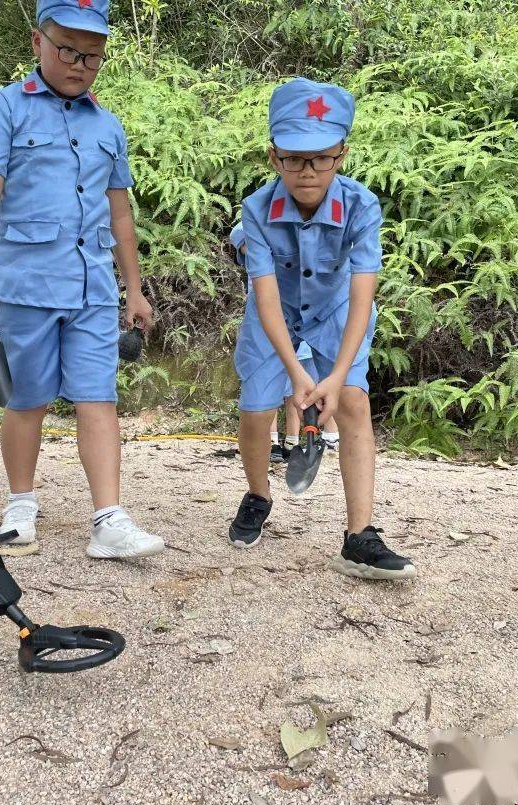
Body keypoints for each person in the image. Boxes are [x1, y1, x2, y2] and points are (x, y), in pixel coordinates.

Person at [0, 0, 164, 560]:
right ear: (37, 43)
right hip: (25, 284)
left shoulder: (107, 125)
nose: (79, 64)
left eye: (92, 57)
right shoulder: (5, 110)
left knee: (99, 397)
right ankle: (20, 506)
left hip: (93, 288)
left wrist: (136, 288)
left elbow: (119, 212)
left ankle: (108, 518)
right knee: (27, 398)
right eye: (68, 51)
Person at [225, 78, 415, 580]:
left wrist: (336, 376)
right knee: (256, 408)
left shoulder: (361, 206)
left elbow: (362, 293)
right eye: (294, 158)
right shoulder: (257, 211)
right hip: (275, 319)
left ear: (341, 155)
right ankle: (257, 495)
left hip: (337, 316)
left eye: (321, 158)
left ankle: (360, 536)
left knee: (353, 402)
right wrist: (296, 374)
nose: (307, 171)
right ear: (274, 157)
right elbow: (265, 298)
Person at [230, 225, 338, 459]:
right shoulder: (259, 217)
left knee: (313, 388)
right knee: (262, 393)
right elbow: (239, 234)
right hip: (268, 326)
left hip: (310, 325)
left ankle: (316, 439)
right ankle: (270, 446)